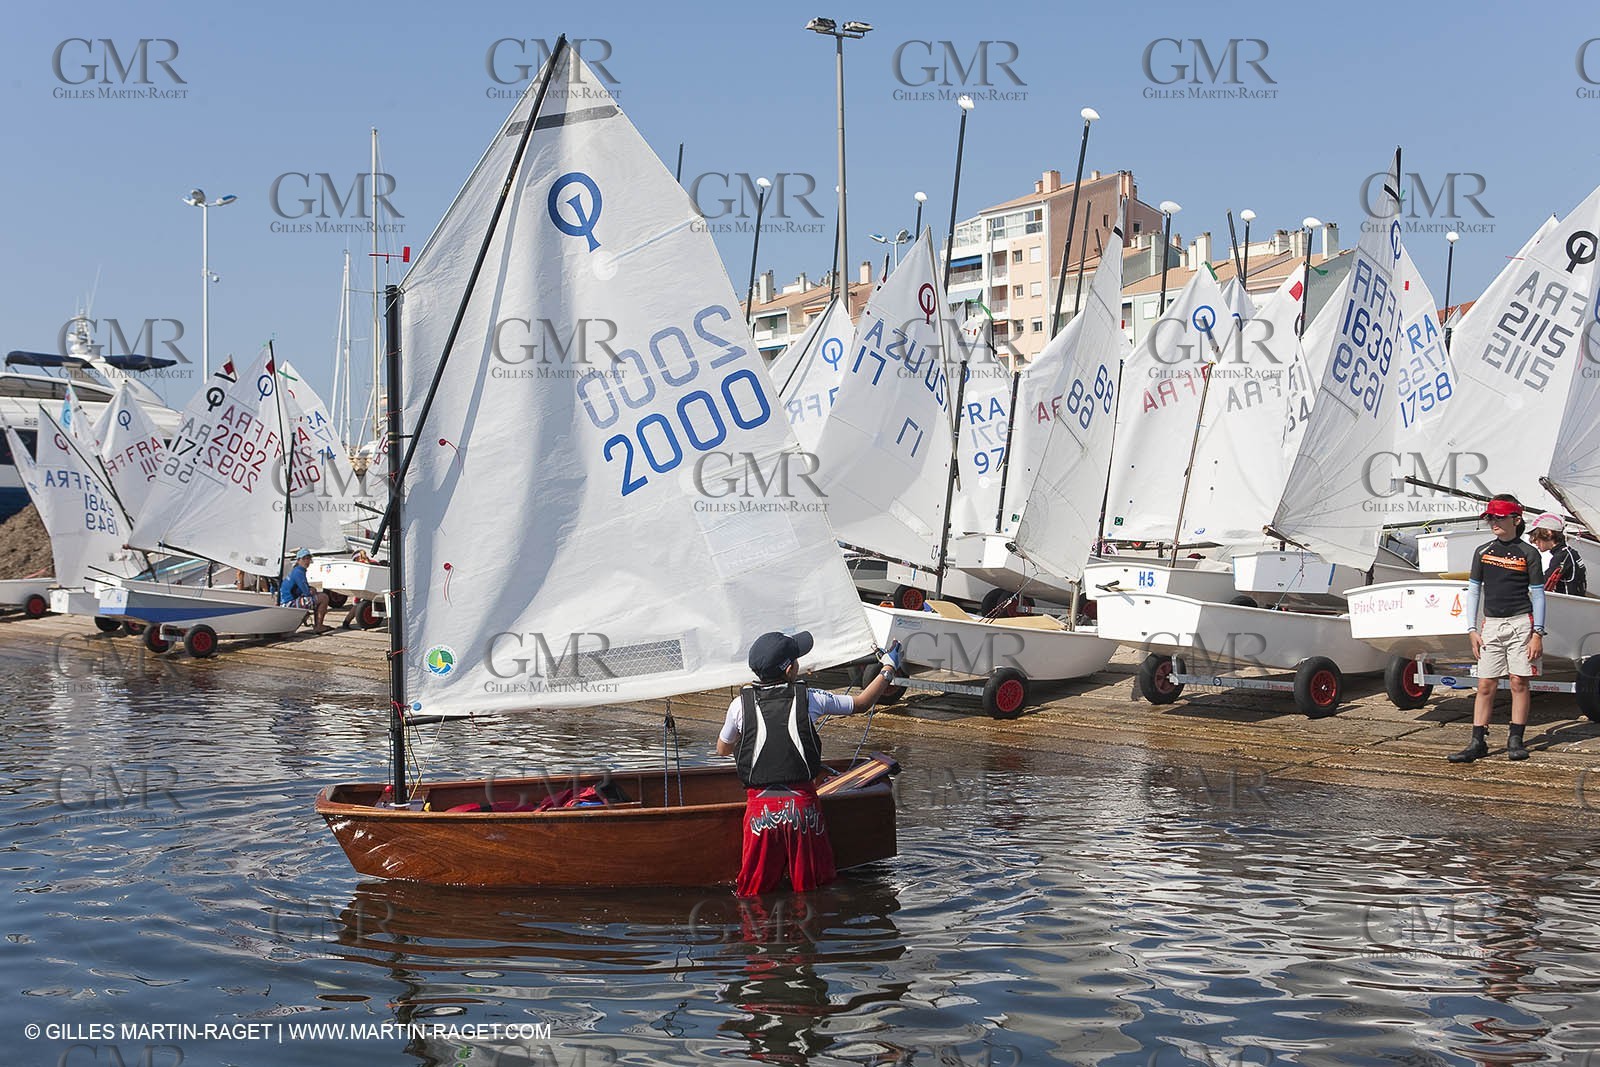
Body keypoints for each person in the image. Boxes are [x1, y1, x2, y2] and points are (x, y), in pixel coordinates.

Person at [715, 630, 901, 897]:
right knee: (812, 889)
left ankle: (756, 933)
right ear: (791, 669)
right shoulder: (811, 698)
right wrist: (888, 669)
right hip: (803, 809)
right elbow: (862, 703)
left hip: (761, 811)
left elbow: (723, 749)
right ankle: (810, 930)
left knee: (753, 892)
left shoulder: (738, 706)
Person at [1450, 495, 1546, 764]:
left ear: (1516, 520)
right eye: (1490, 517)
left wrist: (1537, 632)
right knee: (1485, 684)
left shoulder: (1529, 553)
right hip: (1490, 624)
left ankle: (1516, 739)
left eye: (1499, 517)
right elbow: (1473, 593)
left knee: (1519, 681)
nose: (1494, 522)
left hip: (1521, 623)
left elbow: (1538, 595)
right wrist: (1471, 629)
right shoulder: (1482, 552)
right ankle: (1477, 741)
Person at [1529, 513, 1587, 597]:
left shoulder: (1561, 557)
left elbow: (1544, 584)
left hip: (1567, 605)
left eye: (1535, 535)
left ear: (1548, 533)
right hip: (1576, 603)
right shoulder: (1570, 552)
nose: (1533, 541)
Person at [280, 548, 333, 633]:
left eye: (308, 558)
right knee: (324, 597)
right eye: (304, 558)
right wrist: (312, 590)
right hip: (289, 604)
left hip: (286, 602)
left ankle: (315, 623)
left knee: (317, 597)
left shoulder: (296, 570)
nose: (307, 561)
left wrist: (311, 589)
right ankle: (318, 626)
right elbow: (307, 593)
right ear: (298, 560)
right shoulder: (299, 572)